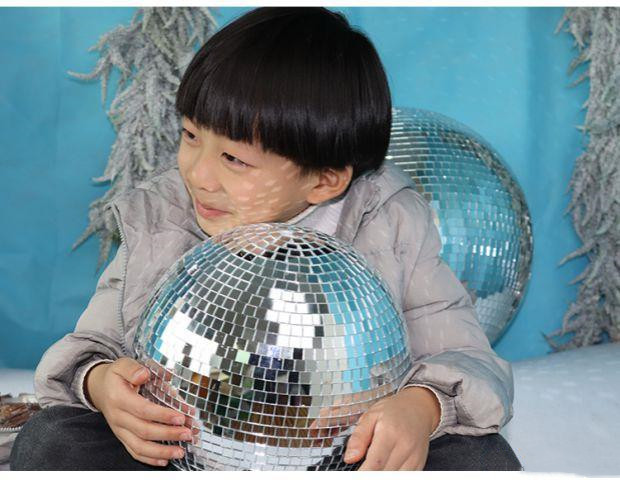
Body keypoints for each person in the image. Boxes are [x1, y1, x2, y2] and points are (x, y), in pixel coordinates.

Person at [10, 7, 521, 471]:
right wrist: (103, 384)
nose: (198, 174)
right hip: (186, 445)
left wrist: (421, 407)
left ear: (324, 180)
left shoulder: (389, 225)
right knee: (52, 441)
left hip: (336, 451)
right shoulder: (164, 216)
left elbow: (467, 356)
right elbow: (92, 344)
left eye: (234, 159)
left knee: (484, 460)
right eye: (191, 136)